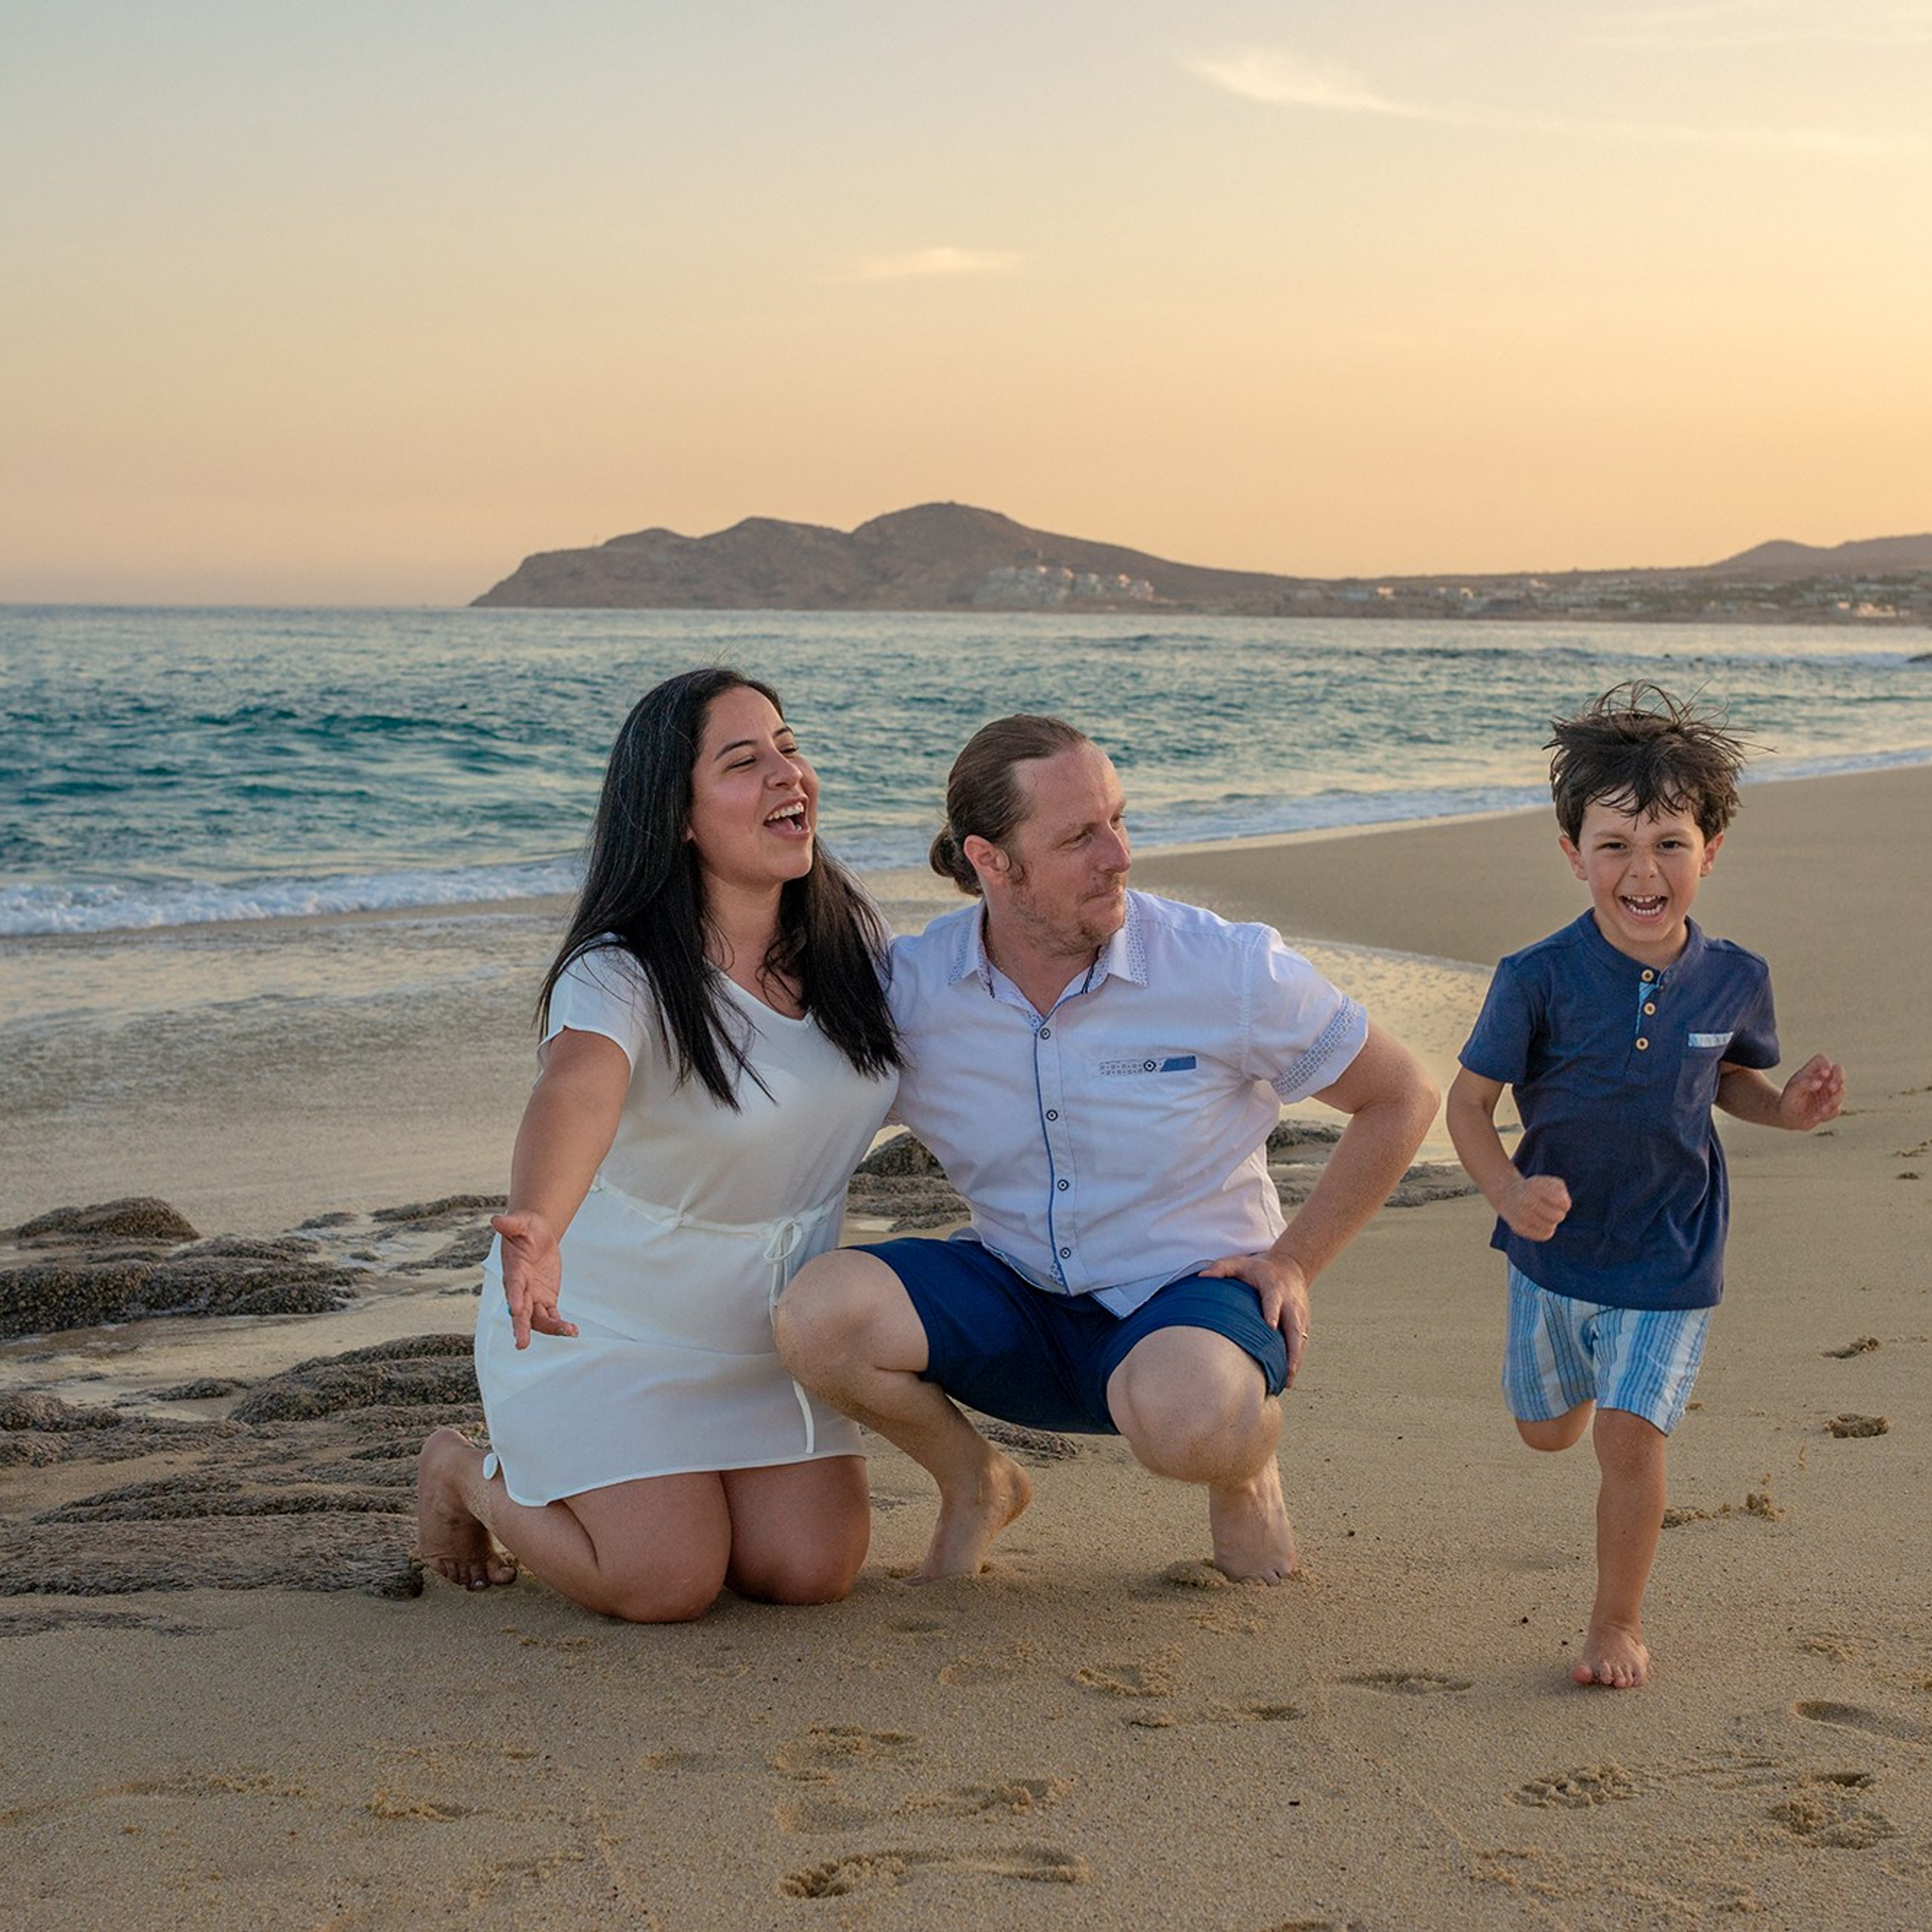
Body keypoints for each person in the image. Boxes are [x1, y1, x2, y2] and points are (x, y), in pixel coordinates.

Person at [774, 714, 1438, 1585]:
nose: (1119, 854)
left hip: (1192, 1306)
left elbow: (1401, 1095)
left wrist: (1294, 1264)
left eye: (1118, 820)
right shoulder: (912, 990)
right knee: (817, 1316)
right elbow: (779, 1109)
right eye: (1080, 836)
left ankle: (1245, 1468)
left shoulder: (1220, 967)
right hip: (1016, 1296)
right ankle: (977, 1481)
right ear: (990, 860)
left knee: (1190, 1417)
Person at [415, 666, 900, 1621]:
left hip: (765, 1336)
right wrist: (540, 1224)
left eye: (789, 748)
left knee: (811, 1570)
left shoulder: (857, 945)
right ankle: (461, 1471)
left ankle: (683, 1484)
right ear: (676, 816)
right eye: (743, 760)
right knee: (664, 1580)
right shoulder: (618, 973)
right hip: (609, 1325)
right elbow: (577, 1091)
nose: (785, 774)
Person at [1445, 683, 1844, 1689]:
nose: (1642, 869)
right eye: (1614, 844)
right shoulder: (1536, 976)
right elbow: (1465, 1106)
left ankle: (1614, 1625)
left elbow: (1732, 1084)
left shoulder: (1733, 976)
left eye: (1669, 841)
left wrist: (1787, 1111)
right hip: (1553, 1249)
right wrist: (1506, 1192)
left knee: (1631, 1438)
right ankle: (1572, 1386)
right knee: (1548, 1432)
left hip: (1674, 1249)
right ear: (1573, 854)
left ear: (1711, 850)